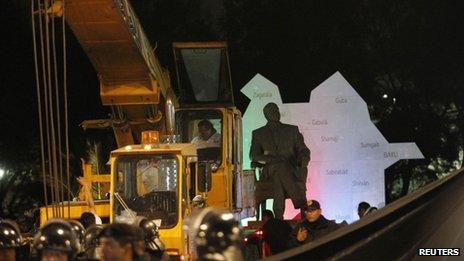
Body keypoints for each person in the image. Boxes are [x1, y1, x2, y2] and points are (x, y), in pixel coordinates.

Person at [250, 102, 310, 219]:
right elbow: (254, 156)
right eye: (271, 111)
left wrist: (304, 157)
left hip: (290, 169)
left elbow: (303, 150)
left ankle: (278, 217)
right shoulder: (258, 133)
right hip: (269, 172)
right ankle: (298, 200)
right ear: (266, 115)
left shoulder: (292, 130)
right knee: (278, 166)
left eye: (276, 110)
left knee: (279, 172)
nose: (275, 113)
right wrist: (274, 159)